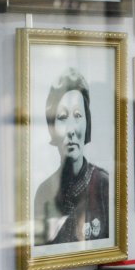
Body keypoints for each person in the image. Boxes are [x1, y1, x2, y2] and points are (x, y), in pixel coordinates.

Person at [33, 68, 111, 246]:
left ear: (87, 122)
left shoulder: (103, 185)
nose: (71, 130)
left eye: (77, 115)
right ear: (52, 127)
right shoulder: (44, 192)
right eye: (62, 117)